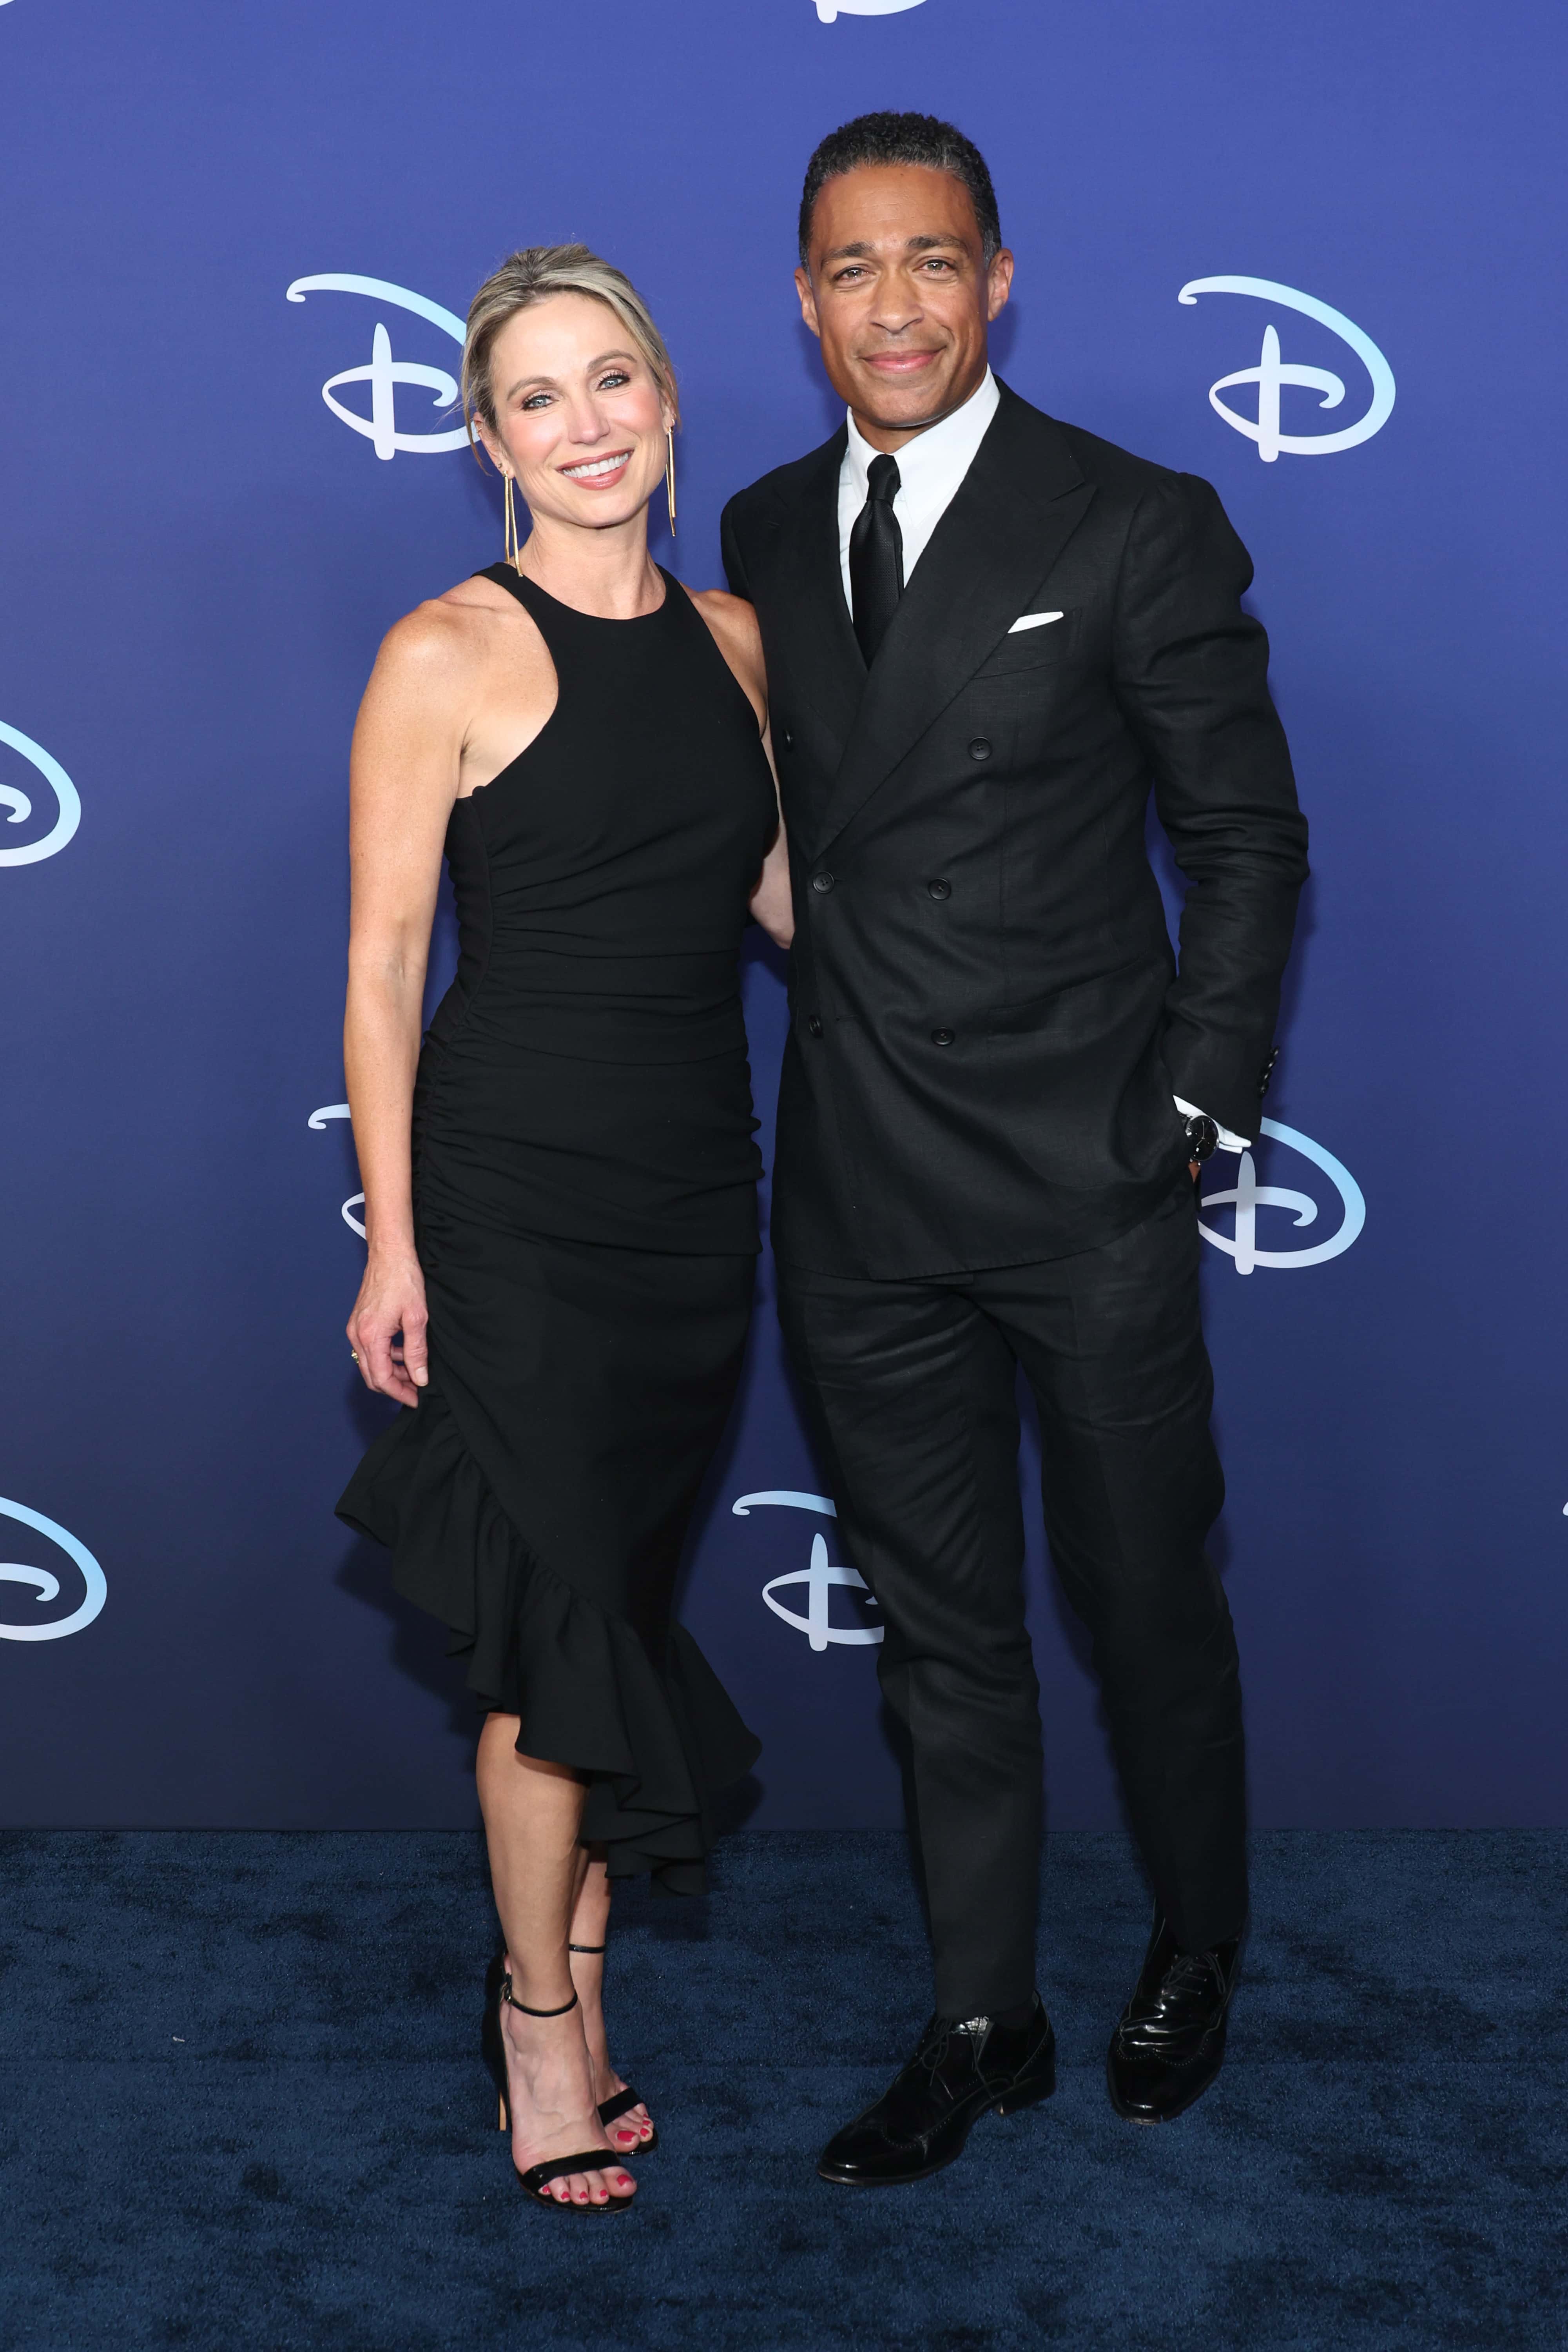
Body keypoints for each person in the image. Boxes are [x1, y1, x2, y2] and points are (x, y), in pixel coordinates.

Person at [721, 114, 1309, 2184]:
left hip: (1085, 1177)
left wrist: (1188, 1107)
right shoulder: (768, 526)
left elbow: (1243, 837)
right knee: (945, 1630)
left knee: (1145, 1591)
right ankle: (983, 2014)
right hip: (863, 1186)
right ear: (804, 302)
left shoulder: (1135, 521)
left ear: (997, 280)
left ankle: (1196, 1940)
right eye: (853, 270)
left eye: (934, 262)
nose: (895, 304)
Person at [336, 244, 791, 2214]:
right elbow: (379, 970)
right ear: (485, 434)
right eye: (539, 396)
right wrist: (394, 1241)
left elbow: (789, 902)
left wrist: (1001, 1003)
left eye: (613, 383)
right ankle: (538, 2035)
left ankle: (580, 1984)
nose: (585, 424)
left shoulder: (737, 640)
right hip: (517, 1198)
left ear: (668, 403)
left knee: (608, 1603)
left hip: (697, 1200)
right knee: (545, 1639)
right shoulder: (443, 646)